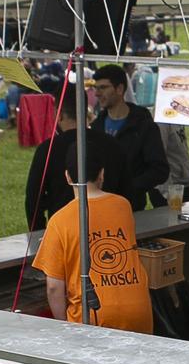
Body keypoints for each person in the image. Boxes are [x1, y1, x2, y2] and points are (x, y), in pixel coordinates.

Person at [33, 135, 153, 331]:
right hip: (139, 310)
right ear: (102, 174)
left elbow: (54, 287)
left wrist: (65, 325)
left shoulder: (59, 220)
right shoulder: (123, 206)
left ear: (68, 177)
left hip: (94, 317)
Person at [89, 63, 170, 211]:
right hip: (98, 207)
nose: (97, 93)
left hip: (131, 208)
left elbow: (160, 169)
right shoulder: (97, 127)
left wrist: (130, 187)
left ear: (119, 89)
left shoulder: (143, 125)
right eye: (96, 88)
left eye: (103, 88)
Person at [24, 91, 79, 228]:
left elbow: (33, 199)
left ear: (58, 115)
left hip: (62, 230)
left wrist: (39, 233)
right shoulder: (109, 143)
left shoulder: (48, 149)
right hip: (106, 230)